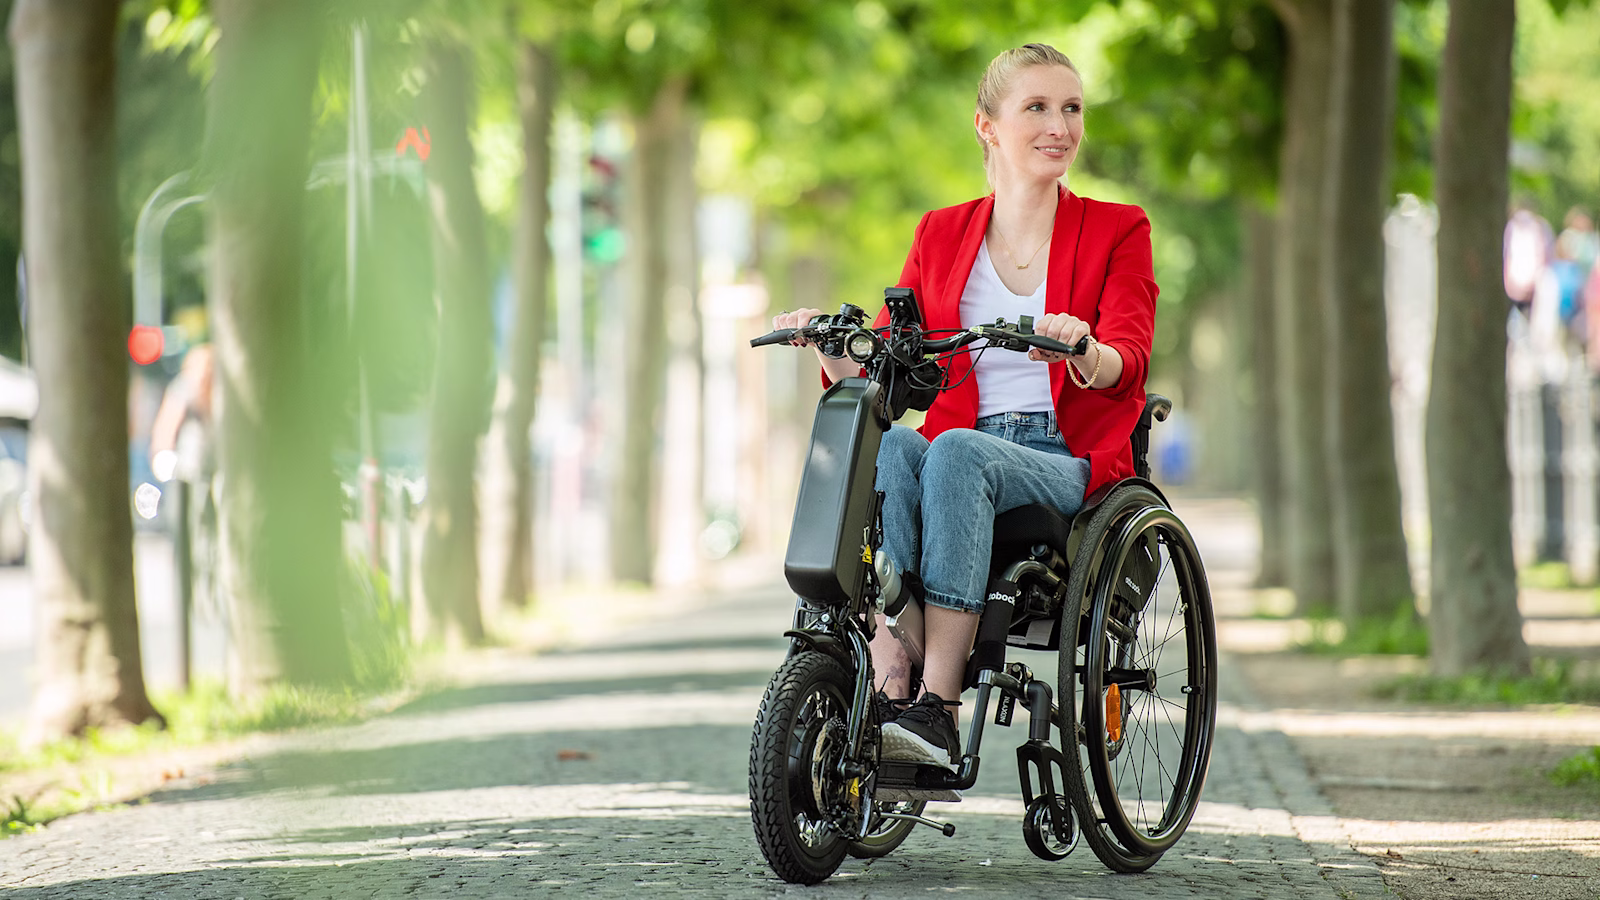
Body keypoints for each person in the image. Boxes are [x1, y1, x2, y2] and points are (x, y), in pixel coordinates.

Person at [771, 43, 1157, 780]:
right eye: (1037, 107)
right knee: (889, 448)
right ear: (987, 125)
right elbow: (893, 368)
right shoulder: (941, 233)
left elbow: (1128, 357)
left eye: (1072, 109)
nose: (1060, 127)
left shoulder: (1118, 228)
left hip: (1062, 458)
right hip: (964, 447)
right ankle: (893, 671)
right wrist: (831, 348)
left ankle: (939, 707)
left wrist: (1083, 349)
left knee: (953, 451)